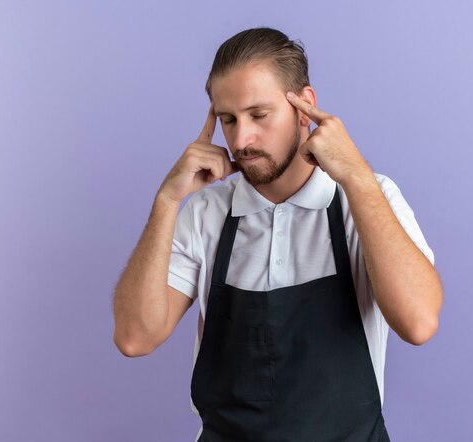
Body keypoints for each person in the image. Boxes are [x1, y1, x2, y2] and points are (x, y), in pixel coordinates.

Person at [113, 27, 443, 442]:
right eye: (228, 120)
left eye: (259, 115)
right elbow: (134, 337)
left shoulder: (366, 199)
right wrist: (166, 201)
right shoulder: (205, 215)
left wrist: (356, 176)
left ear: (305, 107)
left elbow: (418, 323)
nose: (241, 140)